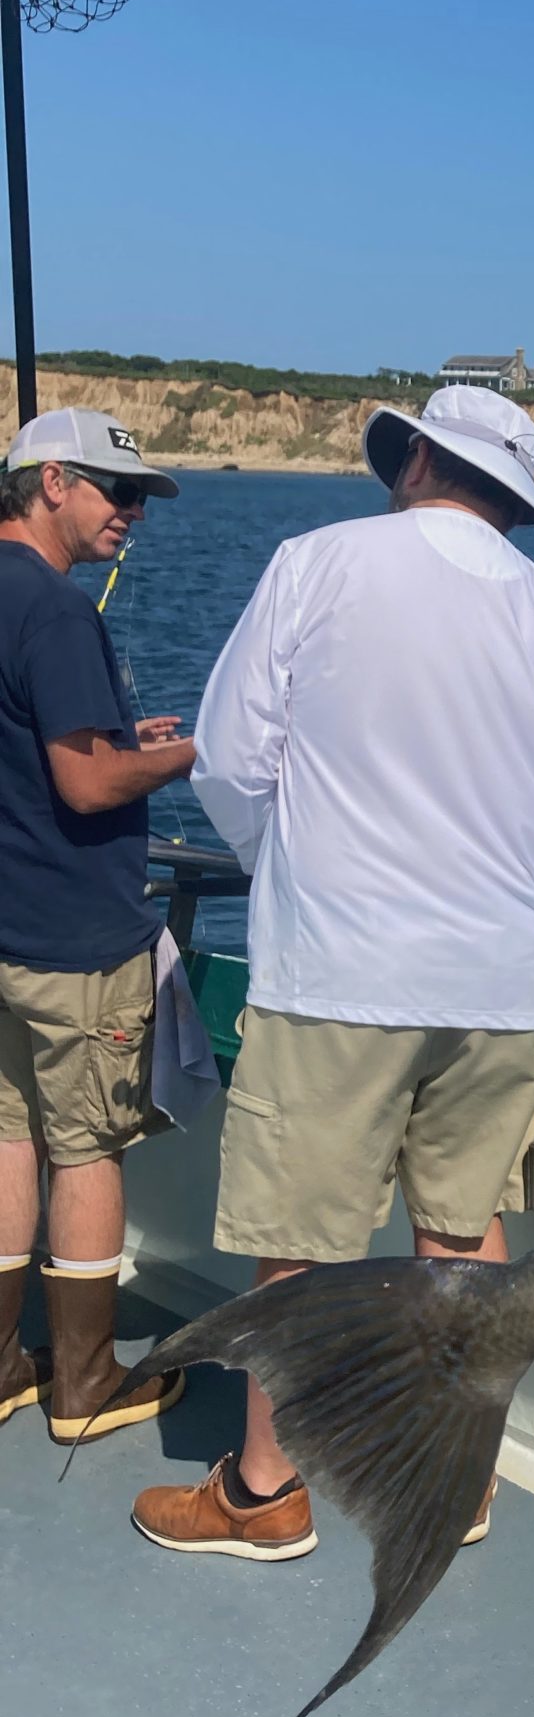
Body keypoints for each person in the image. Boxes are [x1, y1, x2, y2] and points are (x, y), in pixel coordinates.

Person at [131, 387, 534, 1560]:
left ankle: (264, 1490)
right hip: (508, 986)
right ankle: (460, 1486)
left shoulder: (316, 564)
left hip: (341, 968)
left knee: (303, 1234)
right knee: (466, 1233)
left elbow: (234, 761)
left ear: (414, 465)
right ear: (515, 497)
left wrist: (288, 867)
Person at [0, 408, 195, 1443]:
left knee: (2, 1140)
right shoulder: (59, 613)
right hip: (72, 938)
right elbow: (83, 785)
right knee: (86, 1153)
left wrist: (126, 735)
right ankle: (83, 1384)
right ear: (49, 485)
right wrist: (179, 754)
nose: (132, 513)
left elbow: (37, 746)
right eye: (115, 491)